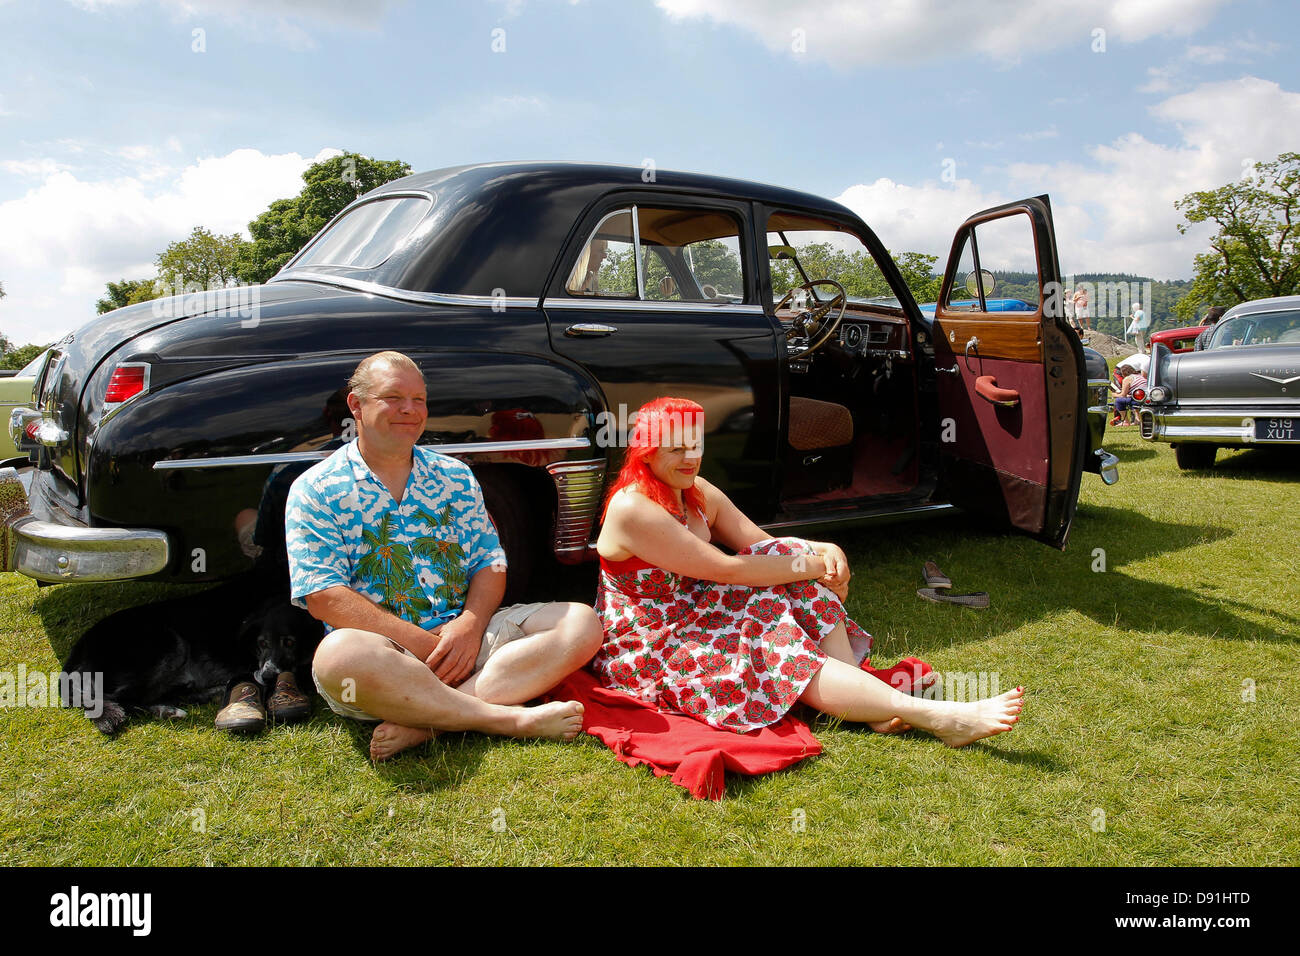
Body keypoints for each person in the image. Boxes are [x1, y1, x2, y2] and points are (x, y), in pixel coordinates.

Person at [591, 397, 1025, 748]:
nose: (691, 458)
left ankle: (862, 701)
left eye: (696, 445)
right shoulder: (634, 508)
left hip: (700, 609)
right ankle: (936, 717)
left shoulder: (694, 490)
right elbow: (727, 568)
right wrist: (812, 565)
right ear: (646, 452)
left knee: (788, 561)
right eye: (676, 449)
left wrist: (823, 549)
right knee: (775, 625)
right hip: (654, 642)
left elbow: (758, 541)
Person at [285, 351, 603, 761]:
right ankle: (504, 718)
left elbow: (491, 562)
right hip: (386, 658)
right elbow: (324, 595)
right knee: (338, 657)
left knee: (581, 622)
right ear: (355, 405)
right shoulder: (316, 489)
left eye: (419, 400)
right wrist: (420, 644)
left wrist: (470, 626)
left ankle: (426, 721)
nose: (410, 410)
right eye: (392, 397)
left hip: (466, 644)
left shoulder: (454, 475)